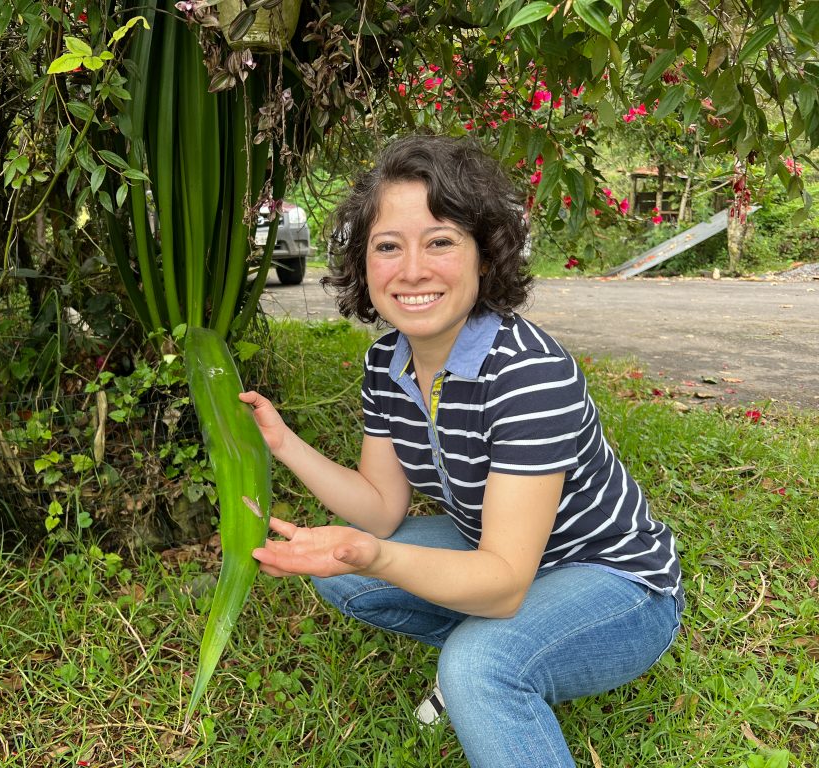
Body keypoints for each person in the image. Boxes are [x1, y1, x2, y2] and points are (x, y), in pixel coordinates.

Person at [238, 134, 683, 767]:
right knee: (346, 576)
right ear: (364, 264)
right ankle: (509, 653)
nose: (412, 269)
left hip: (615, 581)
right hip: (503, 559)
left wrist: (380, 556)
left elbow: (501, 585)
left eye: (440, 241)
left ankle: (489, 669)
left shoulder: (529, 371)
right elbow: (380, 509)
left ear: (485, 255)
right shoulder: (386, 363)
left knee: (475, 663)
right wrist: (284, 445)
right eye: (388, 246)